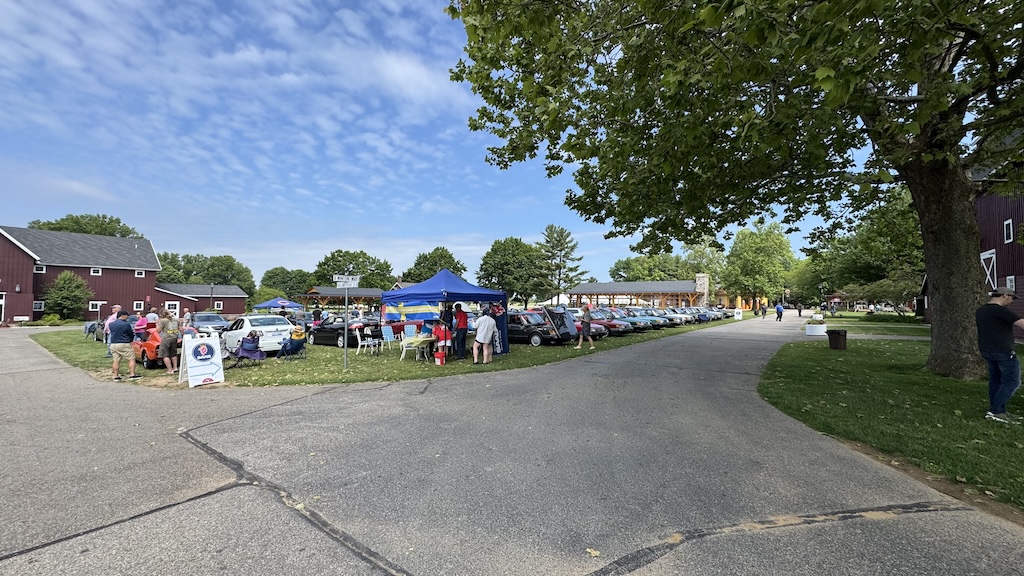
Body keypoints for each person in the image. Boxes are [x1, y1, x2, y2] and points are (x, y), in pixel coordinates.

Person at [975, 287, 1024, 424]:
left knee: (995, 380)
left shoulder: (981, 310)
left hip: (986, 350)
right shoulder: (1001, 311)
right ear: (1005, 295)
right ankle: (995, 411)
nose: (1011, 301)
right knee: (1013, 381)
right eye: (1012, 298)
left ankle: (999, 410)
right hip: (1003, 351)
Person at [108, 309, 141, 381]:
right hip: (124, 343)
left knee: (116, 360)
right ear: (122, 315)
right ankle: (132, 375)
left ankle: (116, 376)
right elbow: (131, 334)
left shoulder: (111, 324)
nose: (127, 317)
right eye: (126, 316)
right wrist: (131, 340)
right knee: (131, 358)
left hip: (113, 344)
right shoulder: (126, 324)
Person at [156, 309, 181, 375]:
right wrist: (183, 336)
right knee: (173, 353)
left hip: (166, 338)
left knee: (165, 354)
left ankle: (170, 370)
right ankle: (175, 368)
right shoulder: (177, 320)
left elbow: (158, 330)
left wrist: (157, 324)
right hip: (174, 338)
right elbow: (181, 329)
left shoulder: (163, 321)